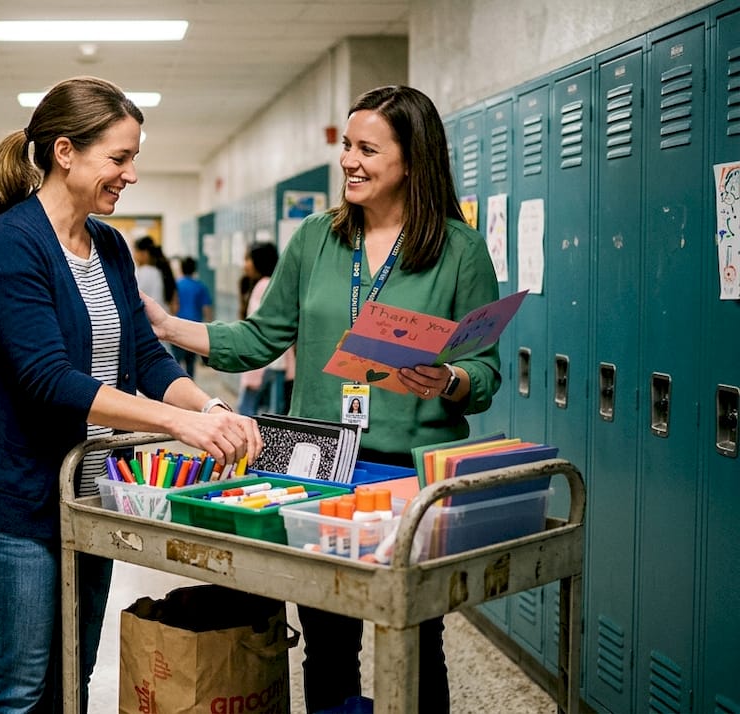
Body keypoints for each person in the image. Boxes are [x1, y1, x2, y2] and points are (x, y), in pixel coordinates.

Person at [142, 85, 502, 714]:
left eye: (368, 149)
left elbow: (485, 368)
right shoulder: (317, 238)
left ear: (412, 161)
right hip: (320, 467)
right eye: (347, 146)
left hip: (409, 476)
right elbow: (261, 335)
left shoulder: (458, 248)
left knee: (418, 636)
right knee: (328, 638)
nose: (349, 161)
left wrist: (450, 380)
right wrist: (171, 328)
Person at [0, 75, 263, 714]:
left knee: (74, 672)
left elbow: (145, 356)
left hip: (87, 491)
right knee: (20, 685)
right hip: (13, 500)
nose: (131, 174)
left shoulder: (109, 245)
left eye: (134, 158)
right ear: (65, 152)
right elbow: (50, 379)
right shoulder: (12, 245)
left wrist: (209, 409)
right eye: (118, 159)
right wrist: (175, 427)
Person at [234, 242, 295, 416]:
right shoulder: (267, 284)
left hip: (267, 362)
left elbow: (260, 327)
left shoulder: (264, 285)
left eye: (248, 259)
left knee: (248, 410)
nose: (245, 264)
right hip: (275, 362)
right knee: (271, 412)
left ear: (259, 261)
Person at [172, 256, 213, 377]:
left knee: (175, 363)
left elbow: (173, 306)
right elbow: (207, 309)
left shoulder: (176, 285)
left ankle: (177, 388)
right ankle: (190, 386)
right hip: (194, 329)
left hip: (177, 328)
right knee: (190, 363)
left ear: (181, 268)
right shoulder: (200, 286)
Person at [133, 235, 179, 316]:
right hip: (165, 317)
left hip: (151, 321)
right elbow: (174, 304)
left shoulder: (144, 272)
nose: (134, 256)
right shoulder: (163, 271)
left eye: (135, 252)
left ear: (144, 253)